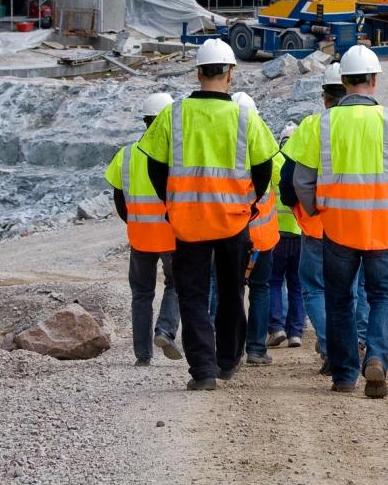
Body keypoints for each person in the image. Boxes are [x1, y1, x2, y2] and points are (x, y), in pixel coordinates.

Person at [285, 44, 388, 398]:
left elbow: (301, 181)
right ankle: (378, 358)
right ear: (373, 80)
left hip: (337, 231)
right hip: (384, 232)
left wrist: (315, 209)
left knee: (338, 300)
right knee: (382, 295)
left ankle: (344, 375)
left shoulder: (321, 124)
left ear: (344, 80)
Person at [139, 38, 278, 391]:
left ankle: (203, 370)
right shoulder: (245, 116)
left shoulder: (173, 113)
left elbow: (155, 165)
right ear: (230, 74)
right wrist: (248, 204)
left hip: (187, 222)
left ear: (198, 72)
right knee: (233, 292)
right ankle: (228, 361)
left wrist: (171, 204)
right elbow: (263, 167)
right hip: (232, 220)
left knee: (193, 296)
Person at [279, 63, 368, 377]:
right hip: (360, 224)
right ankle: (355, 341)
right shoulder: (374, 123)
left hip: (318, 225)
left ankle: (333, 347)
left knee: (315, 289)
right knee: (353, 288)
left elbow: (289, 178)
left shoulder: (312, 126)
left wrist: (300, 209)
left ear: (325, 97)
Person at [105, 92, 183, 367]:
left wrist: (134, 221)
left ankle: (142, 355)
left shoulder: (126, 154)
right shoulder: (175, 155)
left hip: (140, 236)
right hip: (173, 236)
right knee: (177, 285)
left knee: (141, 294)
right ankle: (165, 330)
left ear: (145, 120)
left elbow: (118, 197)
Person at [231, 91, 279, 367]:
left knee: (231, 290)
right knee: (260, 290)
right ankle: (256, 350)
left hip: (232, 234)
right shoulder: (262, 146)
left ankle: (232, 349)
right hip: (262, 238)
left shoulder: (225, 148)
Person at [267, 122, 306, 349]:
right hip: (300, 234)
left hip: (275, 234)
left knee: (274, 282)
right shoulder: (302, 165)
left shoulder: (274, 162)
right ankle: (295, 332)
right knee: (297, 285)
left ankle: (276, 327)